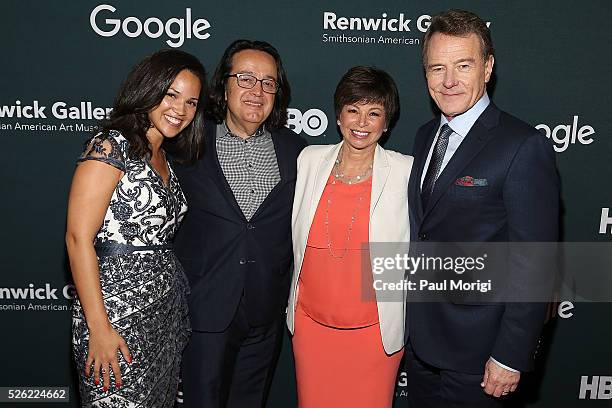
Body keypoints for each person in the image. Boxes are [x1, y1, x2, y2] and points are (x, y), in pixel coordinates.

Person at [405, 9, 559, 407]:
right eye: (437, 67)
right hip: (422, 344)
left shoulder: (522, 146)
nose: (449, 80)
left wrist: (510, 354)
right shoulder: (425, 136)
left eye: (463, 65)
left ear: (487, 68)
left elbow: (536, 261)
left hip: (481, 355)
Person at [66, 49, 206, 407]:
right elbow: (78, 237)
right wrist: (99, 328)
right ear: (148, 89)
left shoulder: (164, 157)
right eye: (171, 95)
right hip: (114, 314)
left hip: (161, 315)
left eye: (191, 102)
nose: (181, 109)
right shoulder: (111, 146)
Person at [172, 39, 307, 407]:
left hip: (265, 311)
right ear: (224, 85)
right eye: (245, 78)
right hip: (204, 308)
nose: (257, 91)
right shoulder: (187, 143)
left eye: (268, 82)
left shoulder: (298, 151)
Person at [287, 66, 413, 407]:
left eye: (374, 114)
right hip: (311, 327)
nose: (362, 122)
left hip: (374, 332)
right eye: (353, 110)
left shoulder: (405, 172)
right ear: (339, 116)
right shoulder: (309, 160)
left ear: (386, 123)